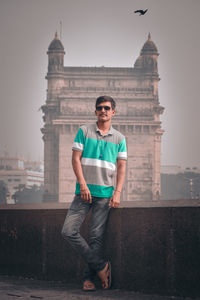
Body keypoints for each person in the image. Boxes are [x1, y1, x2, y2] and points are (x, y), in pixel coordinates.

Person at [61, 95, 127, 291]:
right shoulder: (84, 131)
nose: (103, 111)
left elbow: (122, 167)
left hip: (105, 194)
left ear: (113, 112)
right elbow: (75, 159)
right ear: (95, 111)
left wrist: (117, 192)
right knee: (68, 231)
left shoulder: (120, 138)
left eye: (107, 108)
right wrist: (82, 184)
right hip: (83, 192)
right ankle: (101, 267)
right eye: (100, 108)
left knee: (95, 238)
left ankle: (88, 279)